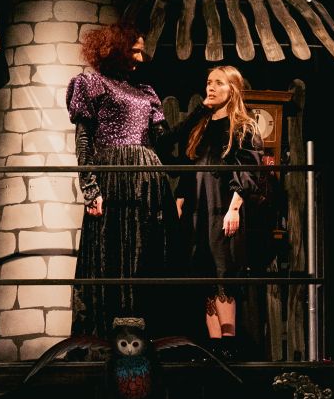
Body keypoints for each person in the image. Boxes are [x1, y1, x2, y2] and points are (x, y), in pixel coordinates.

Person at [68, 25, 170, 339]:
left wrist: (200, 114)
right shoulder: (92, 83)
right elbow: (84, 141)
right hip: (113, 174)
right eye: (134, 51)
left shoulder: (146, 91)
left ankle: (147, 332)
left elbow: (163, 142)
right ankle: (105, 334)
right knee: (109, 251)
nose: (140, 58)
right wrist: (89, 187)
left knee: (145, 252)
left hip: (147, 179)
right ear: (115, 50)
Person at [164, 65, 262, 345]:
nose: (211, 87)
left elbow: (248, 168)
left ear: (233, 88)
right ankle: (215, 345)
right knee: (204, 275)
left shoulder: (243, 126)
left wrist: (234, 208)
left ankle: (228, 345)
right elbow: (188, 166)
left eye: (219, 82)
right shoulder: (201, 126)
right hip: (198, 209)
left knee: (223, 274)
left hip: (222, 205)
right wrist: (180, 202)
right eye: (209, 82)